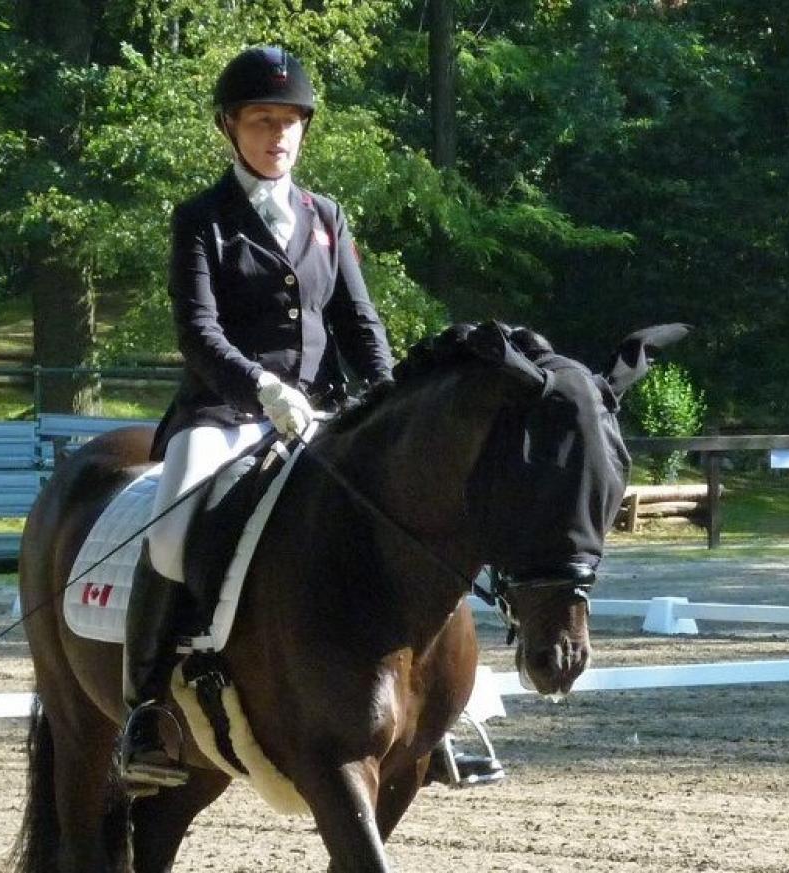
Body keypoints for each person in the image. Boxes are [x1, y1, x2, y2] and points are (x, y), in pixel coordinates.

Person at [120, 45, 500, 789]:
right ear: (231, 127)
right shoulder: (203, 219)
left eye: (290, 122)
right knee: (171, 531)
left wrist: (391, 405)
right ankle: (145, 712)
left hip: (325, 415)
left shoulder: (325, 215)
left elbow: (360, 323)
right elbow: (198, 331)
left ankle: (437, 716)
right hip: (226, 412)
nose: (279, 135)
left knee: (405, 518)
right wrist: (261, 387)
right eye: (263, 121)